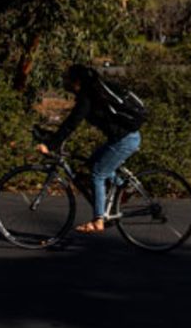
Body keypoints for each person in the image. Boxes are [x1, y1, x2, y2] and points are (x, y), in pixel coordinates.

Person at [35, 63, 142, 234]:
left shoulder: (88, 98)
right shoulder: (92, 94)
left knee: (98, 174)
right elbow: (69, 123)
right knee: (94, 163)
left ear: (77, 82)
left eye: (68, 79)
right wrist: (51, 137)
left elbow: (71, 124)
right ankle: (123, 189)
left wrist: (50, 145)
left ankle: (98, 220)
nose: (65, 82)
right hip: (122, 138)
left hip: (125, 140)